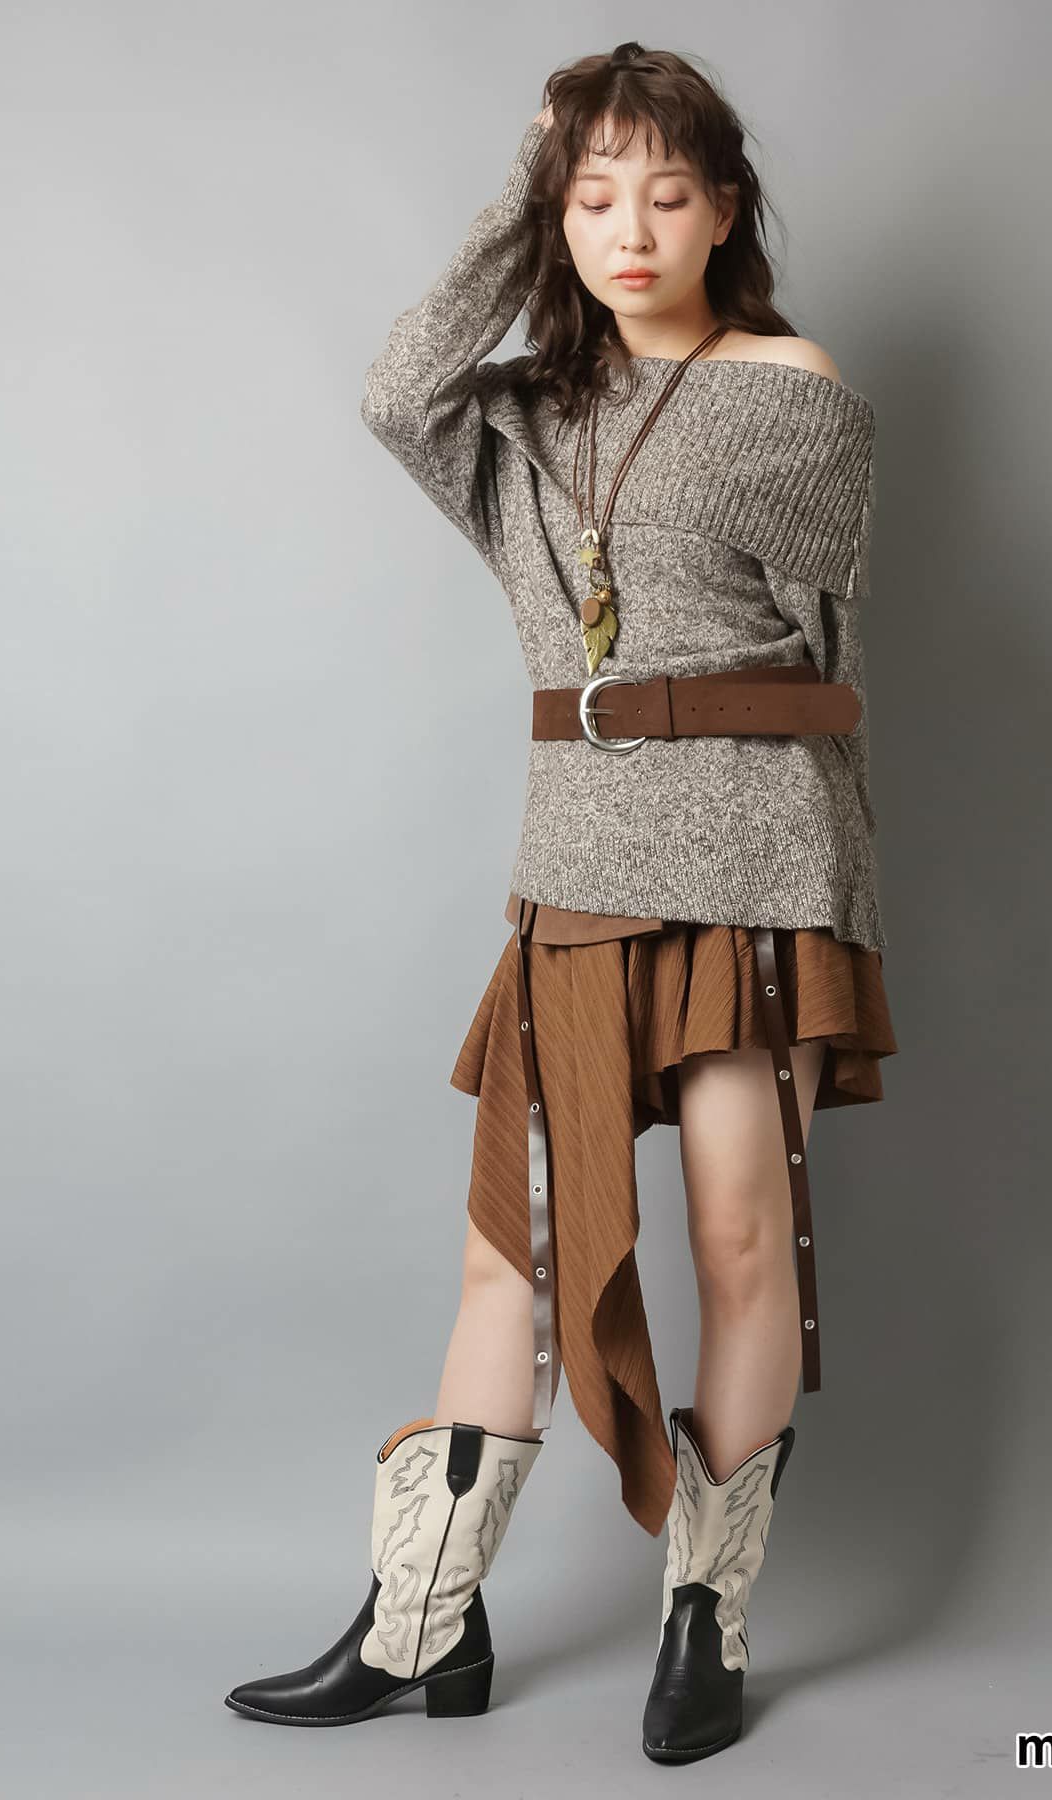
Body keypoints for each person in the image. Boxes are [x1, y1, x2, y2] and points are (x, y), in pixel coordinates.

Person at [224, 40, 897, 1765]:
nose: (629, 230)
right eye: (592, 200)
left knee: (740, 1232)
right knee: (507, 1249)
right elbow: (398, 389)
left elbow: (827, 653)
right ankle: (420, 1623)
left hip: (751, 853)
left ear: (725, 210)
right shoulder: (517, 416)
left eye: (665, 194)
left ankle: (705, 1618)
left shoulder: (789, 386)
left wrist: (827, 882)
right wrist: (521, 183)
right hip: (579, 860)